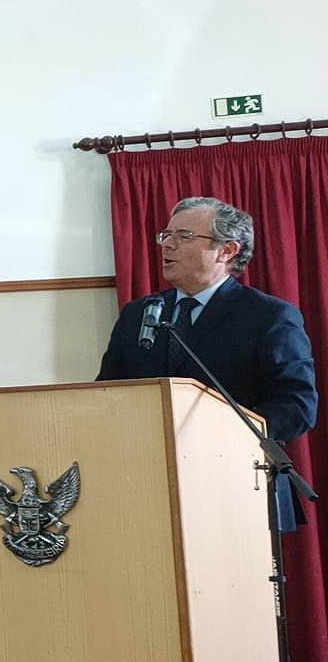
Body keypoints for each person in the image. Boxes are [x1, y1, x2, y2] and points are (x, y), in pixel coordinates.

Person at [97, 195, 317, 529]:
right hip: (148, 484)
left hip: (237, 483)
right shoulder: (138, 314)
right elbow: (108, 394)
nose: (167, 244)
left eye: (184, 236)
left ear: (227, 251)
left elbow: (297, 406)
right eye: (166, 235)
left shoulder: (269, 316)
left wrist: (217, 436)